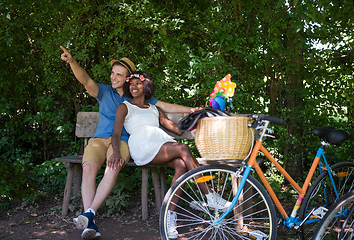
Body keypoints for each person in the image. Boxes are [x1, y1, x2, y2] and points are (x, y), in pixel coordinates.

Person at [60, 46, 201, 240]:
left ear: (127, 78)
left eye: (119, 74)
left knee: (113, 166)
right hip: (99, 140)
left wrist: (191, 110)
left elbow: (165, 107)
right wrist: (72, 62)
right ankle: (89, 221)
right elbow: (85, 80)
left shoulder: (135, 95)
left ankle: (88, 216)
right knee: (89, 169)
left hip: (123, 142)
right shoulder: (103, 91)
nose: (113, 77)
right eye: (112, 73)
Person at [111, 71, 231, 239]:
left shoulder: (155, 109)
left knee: (181, 165)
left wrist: (197, 115)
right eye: (131, 84)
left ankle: (169, 215)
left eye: (138, 83)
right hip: (142, 145)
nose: (134, 86)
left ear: (146, 86)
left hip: (159, 144)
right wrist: (116, 153)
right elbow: (116, 134)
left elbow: (177, 130)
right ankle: (210, 196)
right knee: (182, 149)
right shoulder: (124, 107)